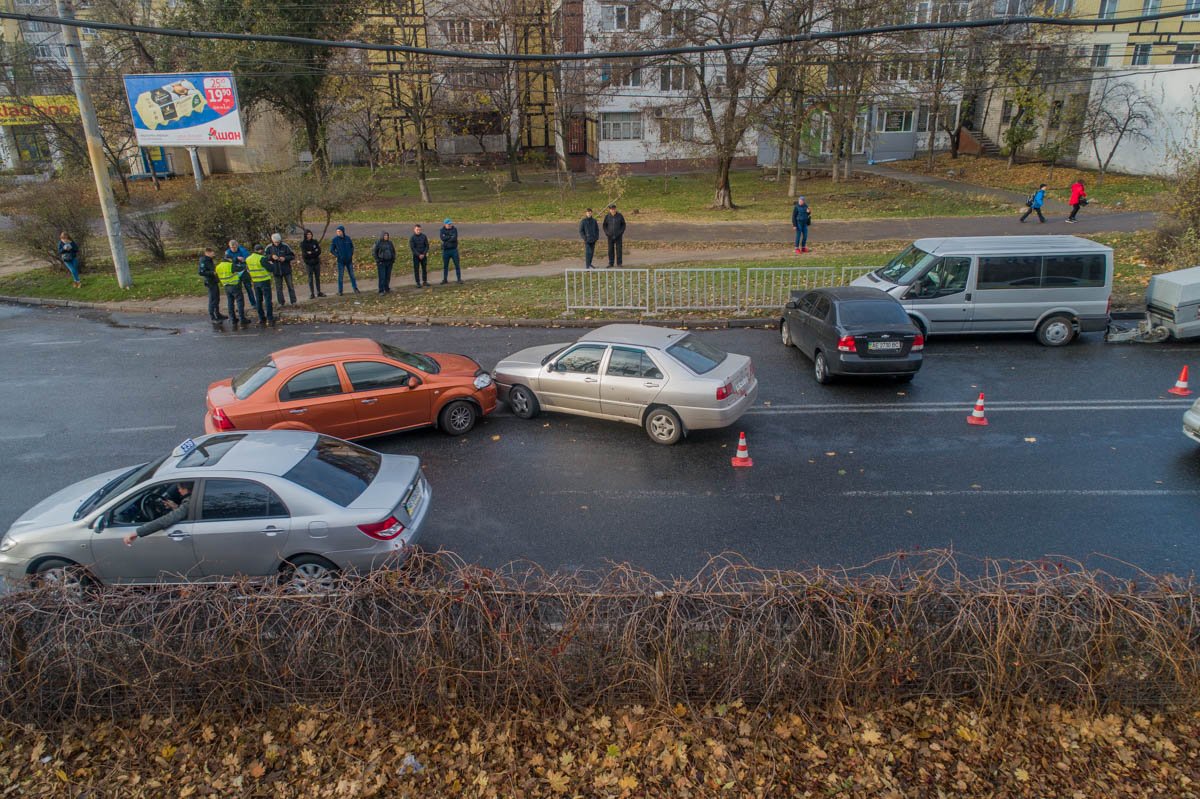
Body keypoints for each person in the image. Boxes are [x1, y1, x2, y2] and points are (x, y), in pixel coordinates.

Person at [124, 483, 192, 546]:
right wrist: (176, 507)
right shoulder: (195, 498)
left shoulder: (189, 502)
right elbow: (187, 511)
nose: (179, 491)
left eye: (180, 488)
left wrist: (137, 532)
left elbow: (165, 520)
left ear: (186, 489)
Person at [245, 245, 275, 325]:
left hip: (255, 281)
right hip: (264, 281)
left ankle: (261, 318)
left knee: (258, 300)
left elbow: (247, 269)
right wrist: (271, 264)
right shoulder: (261, 258)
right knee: (268, 300)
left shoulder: (248, 259)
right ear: (261, 250)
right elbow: (270, 269)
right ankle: (270, 318)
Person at [266, 233, 297, 305]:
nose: (277, 243)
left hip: (286, 269)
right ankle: (281, 302)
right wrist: (271, 257)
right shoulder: (269, 247)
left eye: (278, 242)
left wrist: (285, 258)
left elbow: (292, 256)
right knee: (278, 288)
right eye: (275, 242)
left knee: (290, 286)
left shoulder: (285, 246)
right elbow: (265, 257)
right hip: (276, 270)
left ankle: (293, 301)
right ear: (272, 241)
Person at [215, 255, 247, 326]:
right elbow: (241, 268)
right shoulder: (230, 265)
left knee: (230, 302)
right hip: (235, 285)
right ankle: (242, 318)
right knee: (240, 302)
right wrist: (243, 262)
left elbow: (217, 278)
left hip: (226, 286)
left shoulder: (218, 266)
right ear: (229, 259)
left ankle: (232, 319)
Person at [225, 239, 256, 309]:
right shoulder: (227, 252)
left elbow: (247, 258)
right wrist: (237, 258)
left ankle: (253, 303)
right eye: (232, 247)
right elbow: (227, 259)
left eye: (235, 247)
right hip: (235, 273)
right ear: (229, 247)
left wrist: (241, 259)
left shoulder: (242, 250)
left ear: (237, 246)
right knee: (237, 290)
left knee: (249, 288)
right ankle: (240, 306)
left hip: (244, 271)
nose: (233, 249)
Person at [198, 247, 225, 323]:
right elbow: (201, 272)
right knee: (213, 299)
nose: (214, 253)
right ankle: (213, 317)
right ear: (207, 252)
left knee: (217, 298)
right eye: (212, 252)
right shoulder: (204, 260)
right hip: (210, 282)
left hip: (214, 281)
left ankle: (218, 314)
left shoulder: (209, 260)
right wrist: (212, 273)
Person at [329, 225, 359, 295]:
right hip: (341, 261)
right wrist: (338, 255)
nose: (338, 233)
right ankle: (340, 291)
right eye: (337, 231)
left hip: (349, 261)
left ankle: (355, 288)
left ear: (342, 231)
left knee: (352, 275)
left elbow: (352, 247)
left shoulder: (348, 238)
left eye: (339, 231)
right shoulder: (335, 240)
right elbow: (331, 250)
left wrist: (351, 254)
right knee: (341, 276)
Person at [300, 229, 325, 299]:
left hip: (316, 262)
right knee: (310, 279)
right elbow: (305, 254)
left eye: (310, 234)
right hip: (308, 263)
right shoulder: (303, 244)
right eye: (308, 234)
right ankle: (312, 293)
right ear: (305, 235)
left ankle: (319, 291)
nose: (309, 236)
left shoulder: (315, 242)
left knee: (317, 278)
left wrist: (311, 253)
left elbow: (319, 251)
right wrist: (313, 253)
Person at [603, 204, 626, 268]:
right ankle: (611, 263)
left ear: (615, 209)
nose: (612, 210)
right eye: (611, 209)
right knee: (610, 250)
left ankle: (619, 263)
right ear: (609, 210)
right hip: (610, 236)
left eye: (613, 209)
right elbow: (604, 226)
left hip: (618, 236)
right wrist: (607, 233)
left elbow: (623, 225)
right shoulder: (607, 216)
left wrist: (620, 232)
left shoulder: (620, 216)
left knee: (619, 250)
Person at [440, 218, 461, 284]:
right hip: (446, 251)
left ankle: (459, 279)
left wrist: (447, 237)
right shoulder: (442, 230)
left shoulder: (454, 229)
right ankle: (445, 279)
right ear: (445, 224)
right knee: (445, 266)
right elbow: (442, 238)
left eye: (450, 224)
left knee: (457, 265)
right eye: (448, 224)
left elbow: (454, 238)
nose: (450, 225)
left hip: (454, 250)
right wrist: (450, 236)